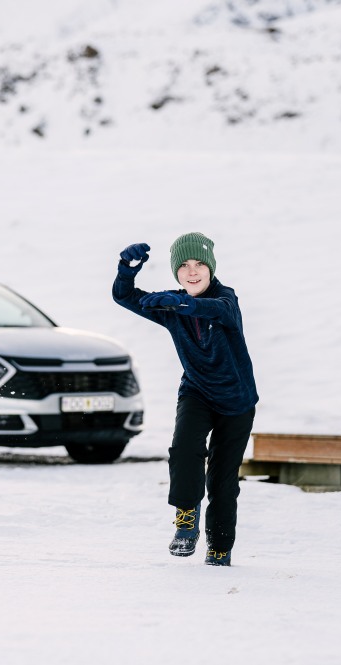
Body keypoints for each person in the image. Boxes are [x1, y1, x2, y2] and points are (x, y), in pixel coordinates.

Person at [112, 233, 258, 566]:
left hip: (237, 401)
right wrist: (126, 271)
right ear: (176, 271)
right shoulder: (171, 305)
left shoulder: (225, 299)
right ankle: (186, 518)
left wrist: (181, 304)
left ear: (211, 268)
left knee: (222, 480)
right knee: (184, 449)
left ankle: (219, 547)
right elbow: (124, 296)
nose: (192, 272)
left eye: (199, 265)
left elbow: (215, 309)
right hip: (196, 391)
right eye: (184, 266)